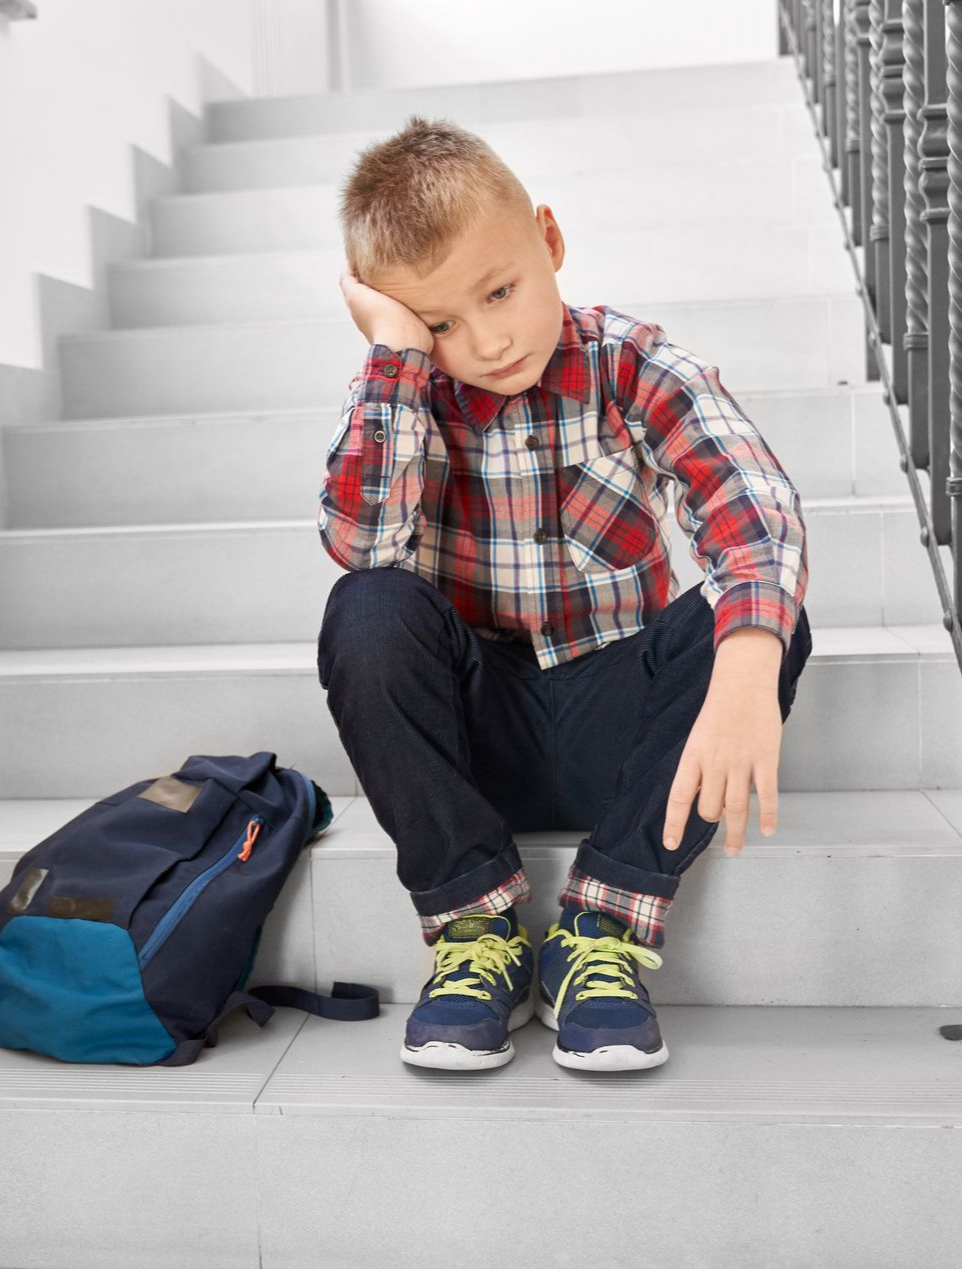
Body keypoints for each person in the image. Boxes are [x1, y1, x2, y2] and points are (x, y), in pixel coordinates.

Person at [315, 115, 813, 1075]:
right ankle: (476, 933)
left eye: (499, 291)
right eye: (444, 321)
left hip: (620, 731)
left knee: (751, 612)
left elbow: (750, 505)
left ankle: (603, 928)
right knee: (367, 605)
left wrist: (750, 659)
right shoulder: (399, 389)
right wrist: (398, 357)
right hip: (475, 737)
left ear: (548, 241)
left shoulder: (628, 362)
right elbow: (361, 542)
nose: (489, 339)